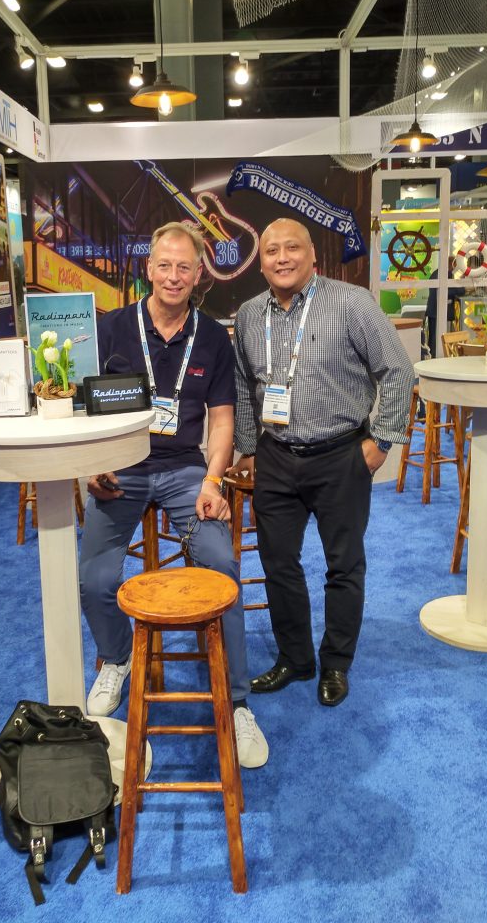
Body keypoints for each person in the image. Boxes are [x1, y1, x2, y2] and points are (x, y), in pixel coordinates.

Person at [79, 221, 268, 768]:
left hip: (186, 469)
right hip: (121, 468)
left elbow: (223, 418)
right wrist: (92, 466)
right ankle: (117, 657)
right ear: (149, 268)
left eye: (184, 267)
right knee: (94, 578)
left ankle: (236, 701)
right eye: (164, 265)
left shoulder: (212, 337)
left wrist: (213, 481)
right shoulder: (112, 328)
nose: (173, 275)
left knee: (221, 566)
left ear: (199, 274)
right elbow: (83, 408)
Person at [231, 218, 413, 707]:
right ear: (261, 262)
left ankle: (335, 663)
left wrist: (382, 441)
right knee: (278, 563)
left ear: (313, 254)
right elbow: (243, 386)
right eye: (272, 250)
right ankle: (295, 659)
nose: (282, 258)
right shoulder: (249, 315)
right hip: (275, 456)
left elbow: (398, 369)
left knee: (343, 565)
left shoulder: (352, 303)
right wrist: (248, 448)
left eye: (292, 247)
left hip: (341, 456)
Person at [425, 259, 466, 359]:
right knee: (436, 340)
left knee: (434, 339)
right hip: (437, 312)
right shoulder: (444, 274)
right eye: (456, 266)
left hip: (434, 311)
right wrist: (464, 288)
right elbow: (450, 290)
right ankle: (436, 359)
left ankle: (433, 358)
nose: (456, 269)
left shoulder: (436, 273)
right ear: (452, 265)